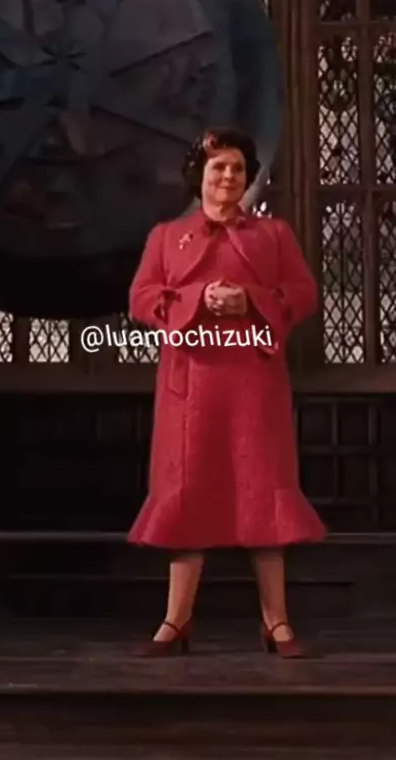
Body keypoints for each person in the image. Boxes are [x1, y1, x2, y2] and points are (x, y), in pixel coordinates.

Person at [127, 127, 326, 658]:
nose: (230, 176)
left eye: (238, 168)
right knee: (188, 495)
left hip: (254, 387)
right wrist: (197, 298)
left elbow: (304, 293)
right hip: (190, 389)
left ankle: (277, 622)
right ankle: (175, 621)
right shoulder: (166, 237)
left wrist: (252, 299)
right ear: (200, 176)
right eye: (219, 167)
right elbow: (141, 298)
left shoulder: (274, 235)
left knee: (264, 495)